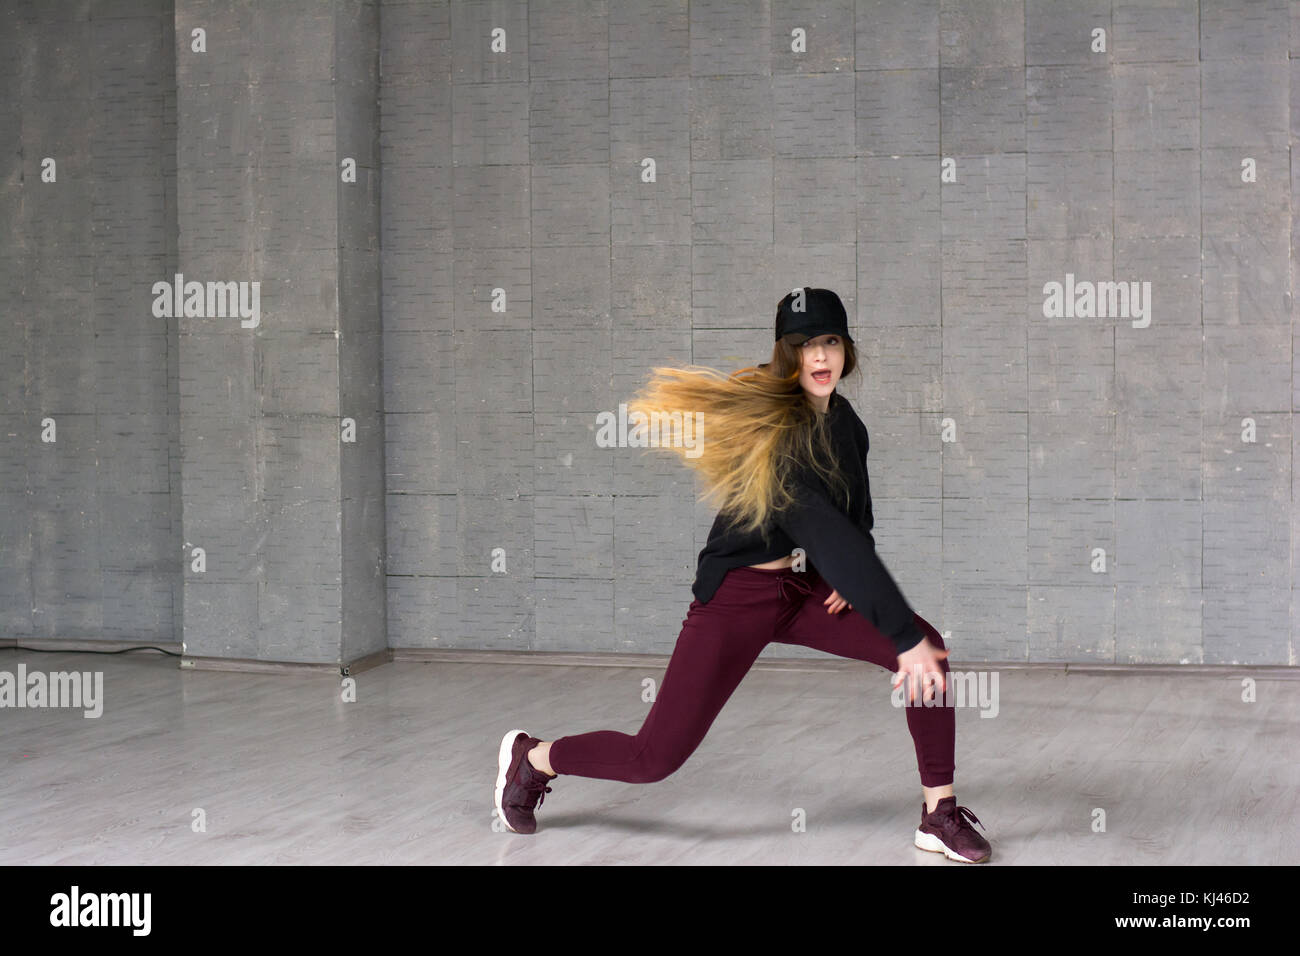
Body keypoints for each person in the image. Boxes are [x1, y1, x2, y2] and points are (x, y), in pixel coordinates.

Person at [494, 287, 991, 863]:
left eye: (830, 342)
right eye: (804, 346)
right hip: (739, 596)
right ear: (787, 354)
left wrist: (843, 586)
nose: (820, 357)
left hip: (803, 591)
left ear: (846, 349)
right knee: (653, 758)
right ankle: (532, 758)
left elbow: (854, 522)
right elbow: (823, 528)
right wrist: (894, 630)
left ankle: (938, 812)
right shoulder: (772, 435)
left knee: (929, 651)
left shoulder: (847, 424)